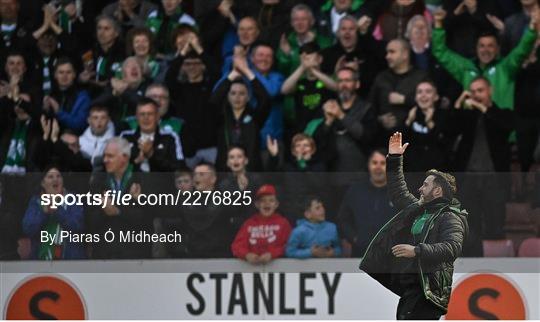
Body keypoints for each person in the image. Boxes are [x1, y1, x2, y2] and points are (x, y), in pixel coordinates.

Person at [360, 132, 468, 320]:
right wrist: (394, 159)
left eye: (425, 185)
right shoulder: (420, 209)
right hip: (412, 290)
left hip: (427, 292)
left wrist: (416, 251)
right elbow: (398, 192)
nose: (419, 188)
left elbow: (452, 248)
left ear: (437, 190)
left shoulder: (450, 217)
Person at [432, 8, 539, 111]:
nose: (485, 50)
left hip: (501, 127)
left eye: (490, 46)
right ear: (476, 49)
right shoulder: (466, 68)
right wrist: (438, 23)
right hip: (471, 128)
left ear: (497, 49)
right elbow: (440, 52)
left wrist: (532, 28)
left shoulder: (506, 68)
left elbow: (522, 50)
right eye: (482, 46)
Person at [87, 136, 151, 259]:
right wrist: (104, 211)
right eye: (104, 156)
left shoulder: (141, 179)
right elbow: (89, 219)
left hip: (134, 256)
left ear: (125, 157)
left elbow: (147, 218)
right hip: (104, 255)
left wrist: (118, 211)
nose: (105, 160)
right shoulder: (98, 182)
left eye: (110, 156)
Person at [313, 67, 377, 172]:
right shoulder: (329, 106)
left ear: (357, 84)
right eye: (340, 81)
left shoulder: (366, 108)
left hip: (359, 173)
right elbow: (318, 142)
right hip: (332, 174)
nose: (343, 85)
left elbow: (366, 136)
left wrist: (341, 115)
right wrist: (328, 122)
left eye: (347, 80)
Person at [369, 38, 428, 142]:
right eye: (387, 52)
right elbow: (370, 107)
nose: (387, 56)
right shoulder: (381, 78)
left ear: (405, 54)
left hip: (413, 140)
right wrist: (380, 120)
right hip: (383, 141)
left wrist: (405, 100)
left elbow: (431, 105)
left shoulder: (420, 78)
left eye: (392, 52)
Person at [338, 149, 394, 257]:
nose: (378, 167)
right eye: (374, 163)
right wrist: (354, 238)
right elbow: (343, 219)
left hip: (391, 257)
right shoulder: (355, 190)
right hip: (360, 255)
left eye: (383, 163)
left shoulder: (399, 192)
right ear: (368, 165)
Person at [22, 165, 86, 260]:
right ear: (42, 183)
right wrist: (44, 213)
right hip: (41, 261)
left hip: (70, 261)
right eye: (50, 177)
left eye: (58, 176)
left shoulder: (73, 198)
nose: (55, 179)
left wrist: (57, 209)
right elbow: (28, 228)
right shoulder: (36, 201)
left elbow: (77, 225)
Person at [231, 184, 292, 264]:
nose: (267, 203)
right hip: (251, 270)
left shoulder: (283, 223)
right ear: (257, 205)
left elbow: (289, 246)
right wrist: (247, 255)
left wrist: (272, 254)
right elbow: (237, 246)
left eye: (271, 200)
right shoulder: (249, 223)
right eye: (263, 200)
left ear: (276, 204)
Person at [120, 97, 185, 172]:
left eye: (150, 114)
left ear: (157, 117)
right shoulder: (125, 137)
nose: (146, 118)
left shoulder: (170, 137)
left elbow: (179, 168)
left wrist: (152, 155)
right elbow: (117, 166)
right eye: (142, 114)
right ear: (136, 117)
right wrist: (136, 162)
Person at [79, 105, 115, 170]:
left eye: (103, 118)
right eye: (95, 118)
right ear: (89, 120)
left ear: (108, 120)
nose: (99, 121)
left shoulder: (115, 143)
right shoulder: (79, 142)